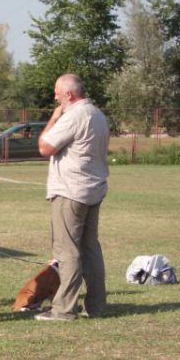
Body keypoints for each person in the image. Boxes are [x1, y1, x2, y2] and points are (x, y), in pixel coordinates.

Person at [36, 74, 110, 321]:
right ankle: (97, 305)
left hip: (70, 190)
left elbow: (44, 147)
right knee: (90, 247)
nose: (54, 97)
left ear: (69, 94)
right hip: (93, 188)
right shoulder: (98, 115)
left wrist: (54, 117)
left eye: (57, 92)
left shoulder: (73, 115)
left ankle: (64, 309)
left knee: (67, 249)